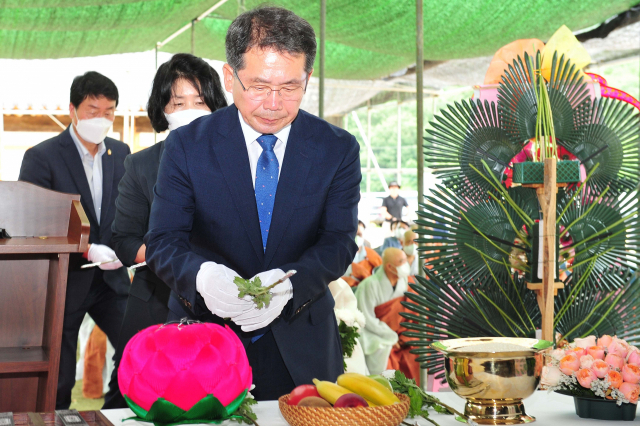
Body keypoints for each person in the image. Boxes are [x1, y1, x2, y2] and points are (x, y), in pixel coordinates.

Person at [144, 6, 361, 401]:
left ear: (308, 78)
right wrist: (205, 278)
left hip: (302, 346)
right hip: (204, 344)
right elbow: (163, 242)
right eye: (259, 86)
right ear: (230, 77)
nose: (274, 104)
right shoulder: (187, 146)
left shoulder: (336, 149)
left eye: (291, 87)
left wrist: (288, 285)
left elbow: (339, 241)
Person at [103, 54, 228, 408]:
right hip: (155, 302)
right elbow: (124, 240)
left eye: (200, 101)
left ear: (215, 105)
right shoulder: (141, 164)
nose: (190, 109)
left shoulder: (236, 160)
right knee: (131, 398)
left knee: (214, 399)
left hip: (222, 305)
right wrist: (182, 263)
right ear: (163, 109)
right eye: (178, 102)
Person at [18, 71, 130, 409]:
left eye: (109, 111)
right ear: (72, 110)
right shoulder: (42, 156)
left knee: (135, 348)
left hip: (112, 278)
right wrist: (84, 246)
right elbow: (32, 221)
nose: (101, 118)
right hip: (65, 279)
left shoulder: (122, 153)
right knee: (60, 373)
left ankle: (113, 411)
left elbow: (128, 210)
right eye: (92, 110)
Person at [355, 248, 410, 375]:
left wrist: (400, 335)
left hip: (397, 331)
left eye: (406, 260)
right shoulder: (369, 285)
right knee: (382, 348)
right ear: (389, 266)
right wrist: (390, 336)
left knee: (414, 350)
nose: (406, 264)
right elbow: (366, 319)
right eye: (402, 261)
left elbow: (408, 310)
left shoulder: (404, 282)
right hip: (371, 331)